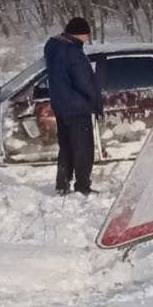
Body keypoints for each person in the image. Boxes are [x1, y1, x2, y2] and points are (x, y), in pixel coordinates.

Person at [44, 16, 103, 195]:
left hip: (61, 106)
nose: (88, 38)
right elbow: (84, 81)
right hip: (77, 107)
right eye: (87, 34)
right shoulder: (72, 52)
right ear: (80, 34)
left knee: (67, 146)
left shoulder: (53, 47)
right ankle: (82, 186)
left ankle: (62, 184)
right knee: (83, 149)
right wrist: (95, 102)